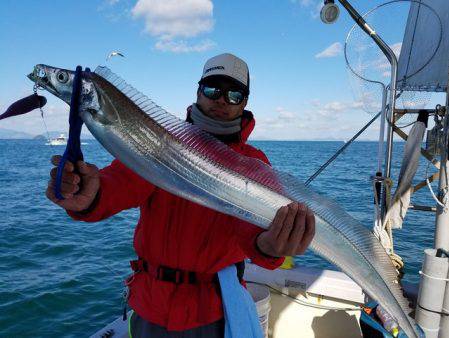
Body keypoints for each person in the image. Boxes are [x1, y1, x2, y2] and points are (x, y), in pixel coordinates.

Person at [46, 53, 315, 337]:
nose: (222, 100)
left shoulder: (254, 164)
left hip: (214, 311)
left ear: (245, 102)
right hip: (149, 306)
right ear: (198, 91)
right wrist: (91, 196)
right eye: (213, 89)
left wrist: (271, 246)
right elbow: (120, 183)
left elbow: (250, 231)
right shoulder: (159, 141)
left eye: (234, 94)